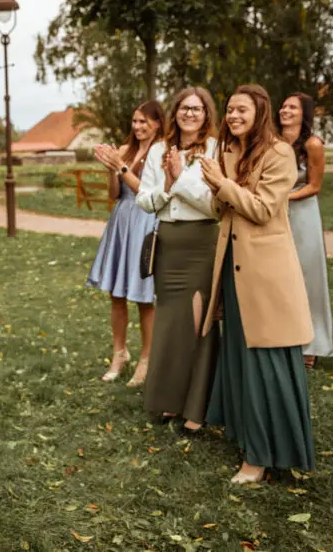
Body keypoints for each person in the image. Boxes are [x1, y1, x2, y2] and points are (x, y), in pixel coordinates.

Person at [199, 84, 315, 484]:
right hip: (232, 269)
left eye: (241, 110)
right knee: (240, 358)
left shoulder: (279, 153)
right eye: (229, 109)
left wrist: (223, 184)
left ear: (260, 112)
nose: (233, 116)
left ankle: (262, 456)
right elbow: (221, 210)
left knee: (265, 360)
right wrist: (217, 187)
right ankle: (247, 436)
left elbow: (264, 210)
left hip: (265, 273)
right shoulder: (229, 151)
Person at [136, 87, 220, 431]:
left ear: (206, 114)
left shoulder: (215, 149)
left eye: (197, 109)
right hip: (168, 245)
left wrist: (181, 178)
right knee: (170, 323)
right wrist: (168, 185)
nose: (190, 114)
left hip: (200, 243)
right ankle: (169, 400)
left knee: (197, 325)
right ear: (175, 112)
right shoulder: (159, 149)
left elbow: (214, 204)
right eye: (185, 108)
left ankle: (196, 407)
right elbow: (144, 200)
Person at [88, 101, 166, 386]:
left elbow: (147, 192)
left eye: (144, 121)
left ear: (158, 123)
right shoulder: (124, 150)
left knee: (144, 296)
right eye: (135, 121)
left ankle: (147, 358)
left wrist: (120, 167)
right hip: (122, 221)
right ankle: (119, 353)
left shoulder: (162, 153)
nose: (137, 127)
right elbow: (114, 194)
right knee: (116, 294)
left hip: (146, 221)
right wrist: (111, 170)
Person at [277, 93, 333, 368]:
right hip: (274, 216)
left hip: (303, 215)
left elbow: (314, 185)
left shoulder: (313, 144)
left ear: (304, 114)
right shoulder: (273, 143)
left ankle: (312, 344)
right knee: (279, 278)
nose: (284, 110)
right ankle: (283, 338)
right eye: (283, 106)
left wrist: (283, 198)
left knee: (307, 276)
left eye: (292, 107)